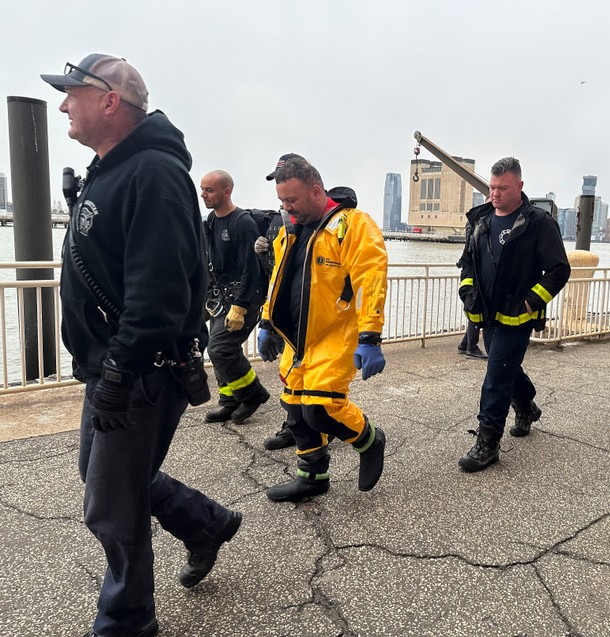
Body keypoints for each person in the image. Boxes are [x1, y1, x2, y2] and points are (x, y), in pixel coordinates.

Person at [41, 54, 241, 637]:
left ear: (109, 101)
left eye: (71, 94)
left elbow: (158, 292)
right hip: (111, 367)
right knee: (102, 477)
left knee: (111, 504)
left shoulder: (152, 172)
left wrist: (121, 375)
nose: (62, 105)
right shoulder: (111, 167)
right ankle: (205, 523)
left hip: (137, 371)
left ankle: (127, 622)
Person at [257, 156, 388, 501]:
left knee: (321, 409)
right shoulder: (290, 230)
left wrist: (370, 336)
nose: (286, 207)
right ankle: (312, 477)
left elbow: (369, 279)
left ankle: (370, 439)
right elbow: (278, 280)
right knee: (296, 410)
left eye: (292, 201)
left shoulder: (350, 225)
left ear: (316, 191)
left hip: (335, 335)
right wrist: (267, 321)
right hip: (297, 340)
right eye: (282, 201)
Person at [457, 157, 570, 472]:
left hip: (517, 317)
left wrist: (532, 301)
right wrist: (468, 293)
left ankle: (488, 443)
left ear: (519, 186)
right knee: (505, 368)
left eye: (502, 188)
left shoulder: (538, 223)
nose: (494, 194)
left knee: (495, 377)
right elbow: (467, 262)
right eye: (492, 188)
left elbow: (559, 269)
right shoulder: (480, 220)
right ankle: (526, 405)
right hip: (487, 315)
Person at [201, 170, 270, 425]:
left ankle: (252, 394)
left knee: (220, 348)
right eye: (202, 189)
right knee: (218, 349)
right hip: (220, 298)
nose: (203, 194)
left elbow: (251, 267)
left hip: (243, 298)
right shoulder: (211, 219)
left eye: (209, 190)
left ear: (226, 191)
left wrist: (241, 307)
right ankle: (228, 401)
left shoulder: (242, 223)